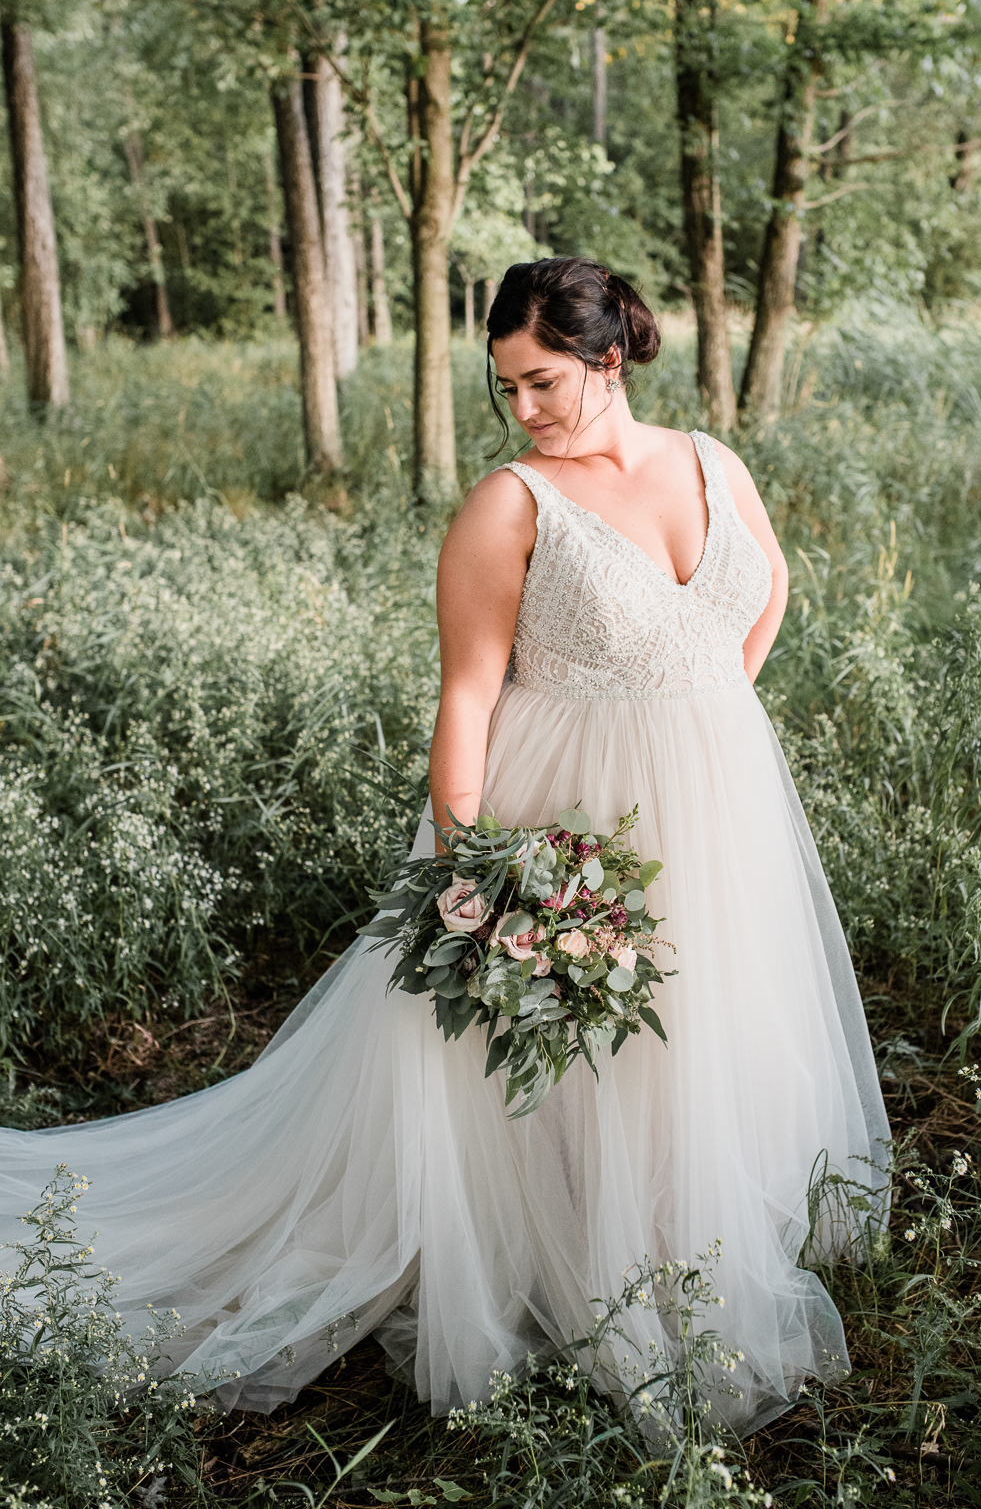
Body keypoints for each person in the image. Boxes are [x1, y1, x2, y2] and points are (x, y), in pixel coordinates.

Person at [0, 256, 890, 1433]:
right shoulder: (510, 502)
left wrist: (705, 706)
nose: (522, 411)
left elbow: (766, 585)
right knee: (565, 1054)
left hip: (713, 800)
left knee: (700, 1021)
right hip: (557, 812)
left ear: (608, 359)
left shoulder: (711, 463)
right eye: (504, 389)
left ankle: (685, 1235)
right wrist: (470, 878)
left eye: (540, 383)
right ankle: (575, 1250)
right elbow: (466, 697)